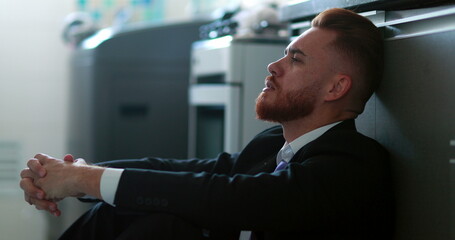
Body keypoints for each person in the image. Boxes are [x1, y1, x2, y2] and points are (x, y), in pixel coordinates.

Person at [20, 8, 394, 240]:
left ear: (336, 87)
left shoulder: (353, 163)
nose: (274, 66)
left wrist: (85, 181)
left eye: (295, 59)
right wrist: (76, 174)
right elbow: (187, 172)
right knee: (129, 210)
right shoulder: (271, 146)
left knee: (162, 227)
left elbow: (222, 195)